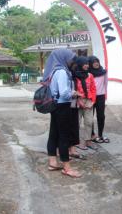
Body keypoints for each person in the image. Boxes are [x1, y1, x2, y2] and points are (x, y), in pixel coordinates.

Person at [44, 48, 81, 178]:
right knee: (64, 137)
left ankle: (52, 162)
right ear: (64, 58)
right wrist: (74, 93)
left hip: (55, 106)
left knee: (53, 134)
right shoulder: (62, 72)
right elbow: (64, 93)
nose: (72, 61)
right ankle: (67, 168)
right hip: (63, 107)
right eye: (70, 58)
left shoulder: (54, 71)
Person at [74, 56, 97, 150]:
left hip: (88, 101)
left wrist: (92, 101)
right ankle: (78, 142)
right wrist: (78, 100)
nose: (87, 65)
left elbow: (93, 89)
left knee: (89, 122)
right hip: (77, 101)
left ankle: (88, 141)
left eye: (88, 64)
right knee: (77, 123)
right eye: (85, 64)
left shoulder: (90, 75)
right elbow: (73, 89)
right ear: (80, 64)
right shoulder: (74, 76)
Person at [88, 56, 109, 143]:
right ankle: (92, 135)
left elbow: (106, 83)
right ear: (90, 64)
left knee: (101, 116)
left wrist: (104, 95)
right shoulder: (88, 73)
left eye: (97, 61)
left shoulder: (104, 72)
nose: (96, 63)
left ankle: (100, 135)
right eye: (94, 62)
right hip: (91, 97)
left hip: (101, 97)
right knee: (89, 117)